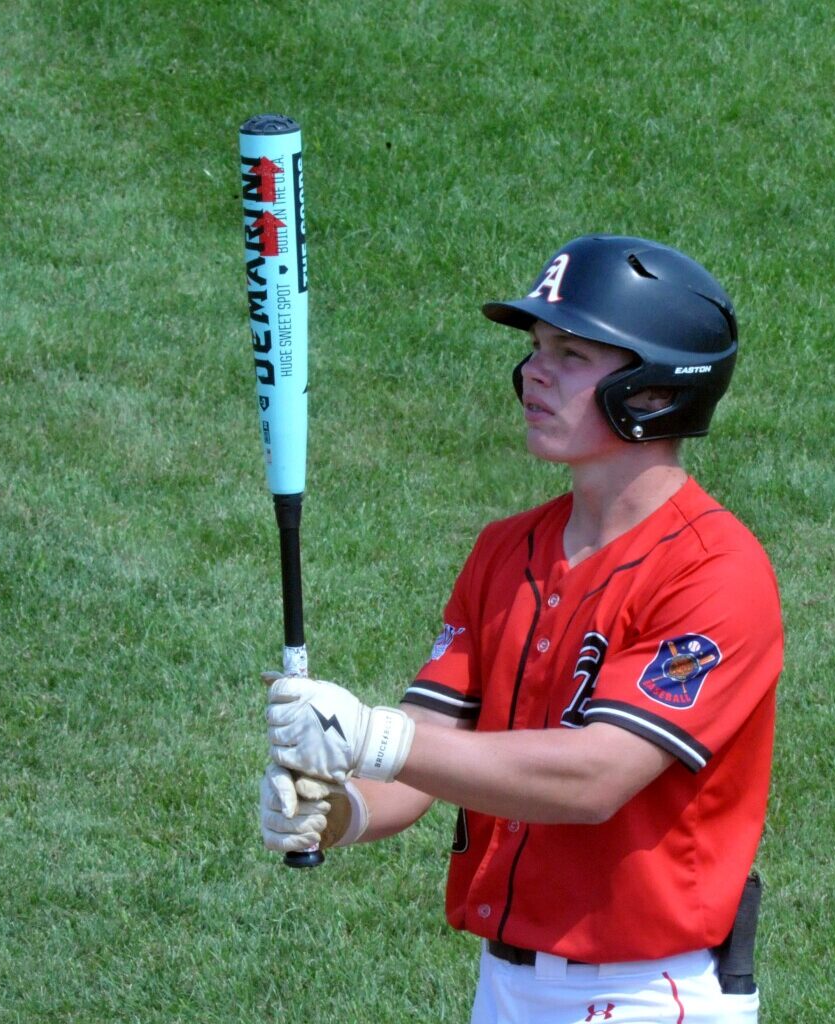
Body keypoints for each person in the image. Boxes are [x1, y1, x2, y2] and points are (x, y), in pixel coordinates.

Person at [258, 234, 783, 1023]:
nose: (534, 372)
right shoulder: (505, 551)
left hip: (645, 994)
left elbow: (594, 779)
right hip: (505, 988)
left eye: (571, 355)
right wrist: (336, 811)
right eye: (536, 348)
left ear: (652, 392)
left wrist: (368, 735)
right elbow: (426, 757)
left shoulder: (714, 572)